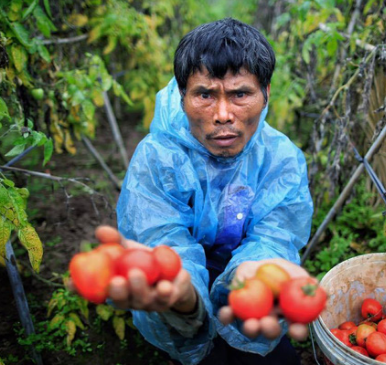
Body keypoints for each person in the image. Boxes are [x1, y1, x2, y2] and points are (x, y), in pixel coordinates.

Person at [99, 18, 314, 365]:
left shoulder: (280, 158)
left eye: (240, 94)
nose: (223, 114)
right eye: (204, 95)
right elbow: (161, 236)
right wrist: (187, 300)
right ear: (182, 95)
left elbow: (275, 236)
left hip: (245, 269)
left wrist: (253, 272)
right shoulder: (158, 157)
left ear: (266, 94)